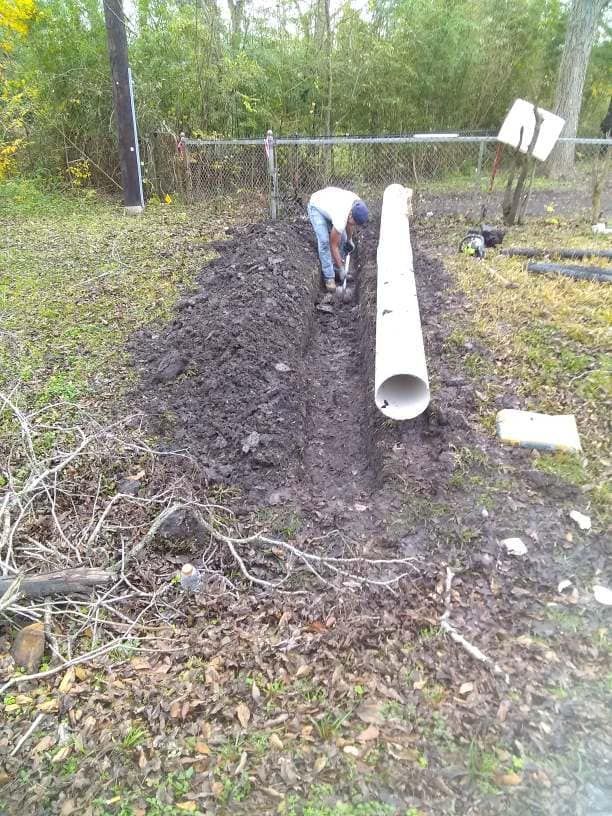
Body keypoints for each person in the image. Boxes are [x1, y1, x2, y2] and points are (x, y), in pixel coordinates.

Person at [307, 187, 369, 292]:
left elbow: (350, 224)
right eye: (354, 222)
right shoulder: (341, 217)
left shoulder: (357, 205)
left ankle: (336, 269)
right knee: (324, 241)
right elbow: (333, 245)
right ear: (350, 215)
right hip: (316, 206)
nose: (354, 225)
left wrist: (349, 240)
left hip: (330, 206)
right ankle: (329, 277)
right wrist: (342, 268)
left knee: (343, 238)